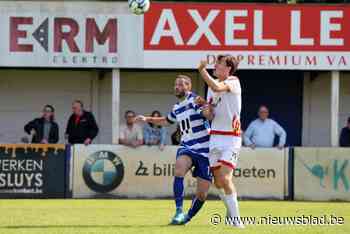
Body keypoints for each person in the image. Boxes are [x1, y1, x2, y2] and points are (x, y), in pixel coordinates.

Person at [135, 75, 213, 225]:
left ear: (188, 87)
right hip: (187, 146)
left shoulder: (194, 100)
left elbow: (208, 115)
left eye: (180, 85)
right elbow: (166, 120)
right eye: (175, 85)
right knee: (179, 170)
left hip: (205, 150)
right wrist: (147, 119)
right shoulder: (177, 108)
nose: (176, 87)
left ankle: (187, 218)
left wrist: (207, 106)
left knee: (202, 194)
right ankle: (178, 211)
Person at [198, 54, 244, 228]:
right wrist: (206, 110)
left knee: (225, 178)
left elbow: (217, 86)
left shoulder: (233, 81)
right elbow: (210, 113)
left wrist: (201, 70)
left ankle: (236, 220)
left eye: (220, 63)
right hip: (215, 137)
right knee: (217, 182)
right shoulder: (212, 88)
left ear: (228, 68)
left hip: (231, 138)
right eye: (216, 63)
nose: (216, 66)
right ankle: (231, 214)